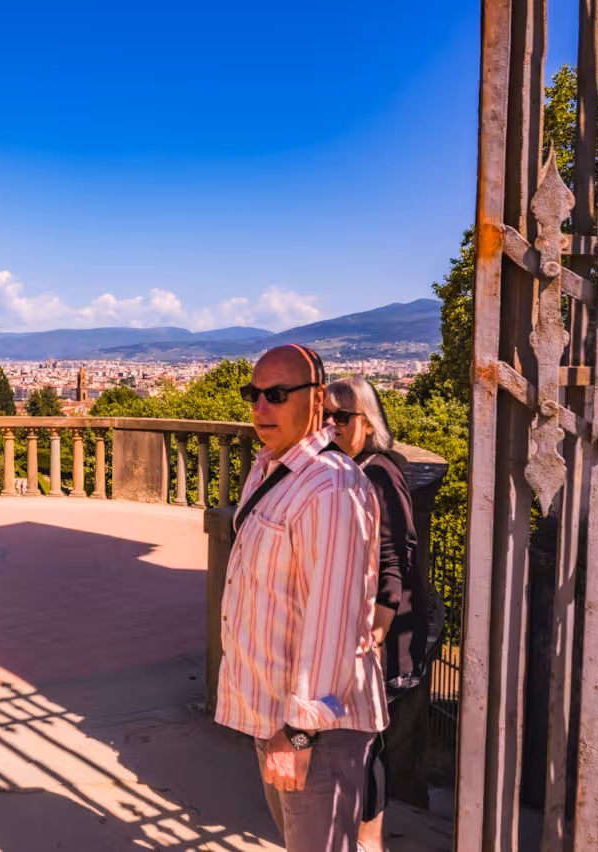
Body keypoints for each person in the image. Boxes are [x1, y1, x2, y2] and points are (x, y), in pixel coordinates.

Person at [217, 344, 387, 852]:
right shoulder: (273, 468)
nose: (260, 407)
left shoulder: (331, 488)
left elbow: (335, 626)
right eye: (254, 394)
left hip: (316, 730)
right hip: (281, 721)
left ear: (316, 400)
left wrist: (297, 735)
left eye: (276, 394)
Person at [325, 377, 435, 851]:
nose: (330, 424)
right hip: (370, 629)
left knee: (368, 742)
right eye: (323, 416)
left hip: (384, 635)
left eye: (341, 417)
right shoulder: (348, 468)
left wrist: (380, 624)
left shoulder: (378, 473)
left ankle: (369, 840)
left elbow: (396, 552)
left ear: (366, 424)